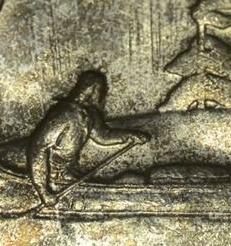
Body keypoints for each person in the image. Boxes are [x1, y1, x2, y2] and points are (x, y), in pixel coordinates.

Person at [27, 71, 149, 203]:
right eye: (100, 91)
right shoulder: (63, 114)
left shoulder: (89, 114)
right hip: (46, 173)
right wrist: (43, 191)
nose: (102, 96)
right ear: (92, 90)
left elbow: (103, 136)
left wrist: (131, 136)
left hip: (67, 171)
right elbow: (38, 149)